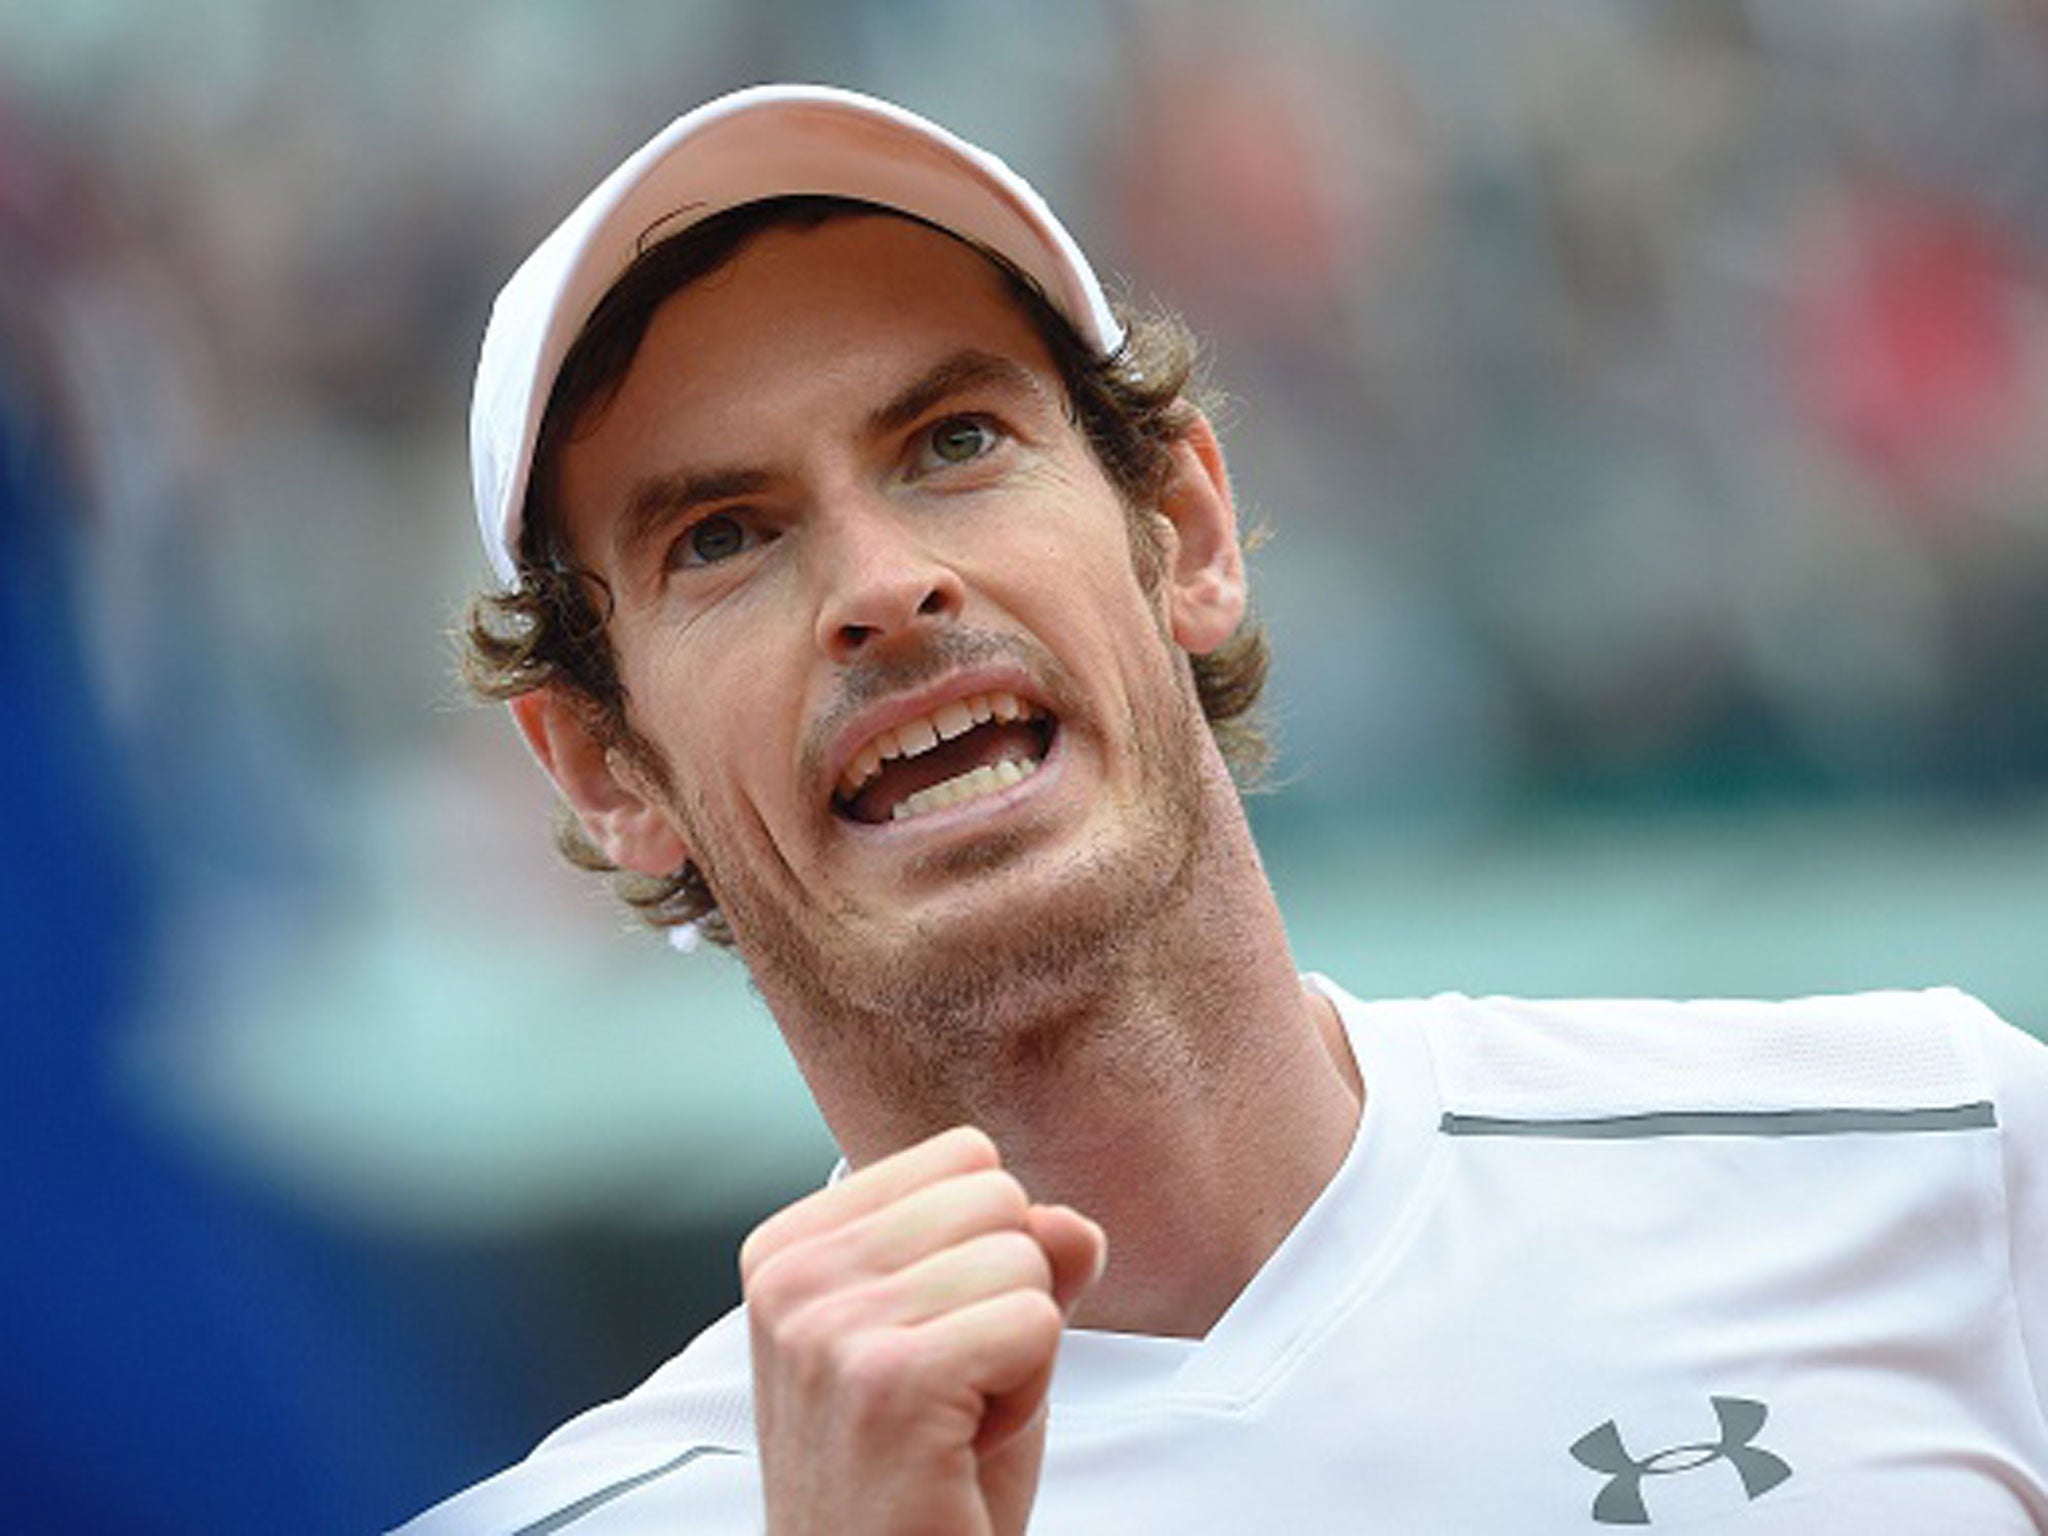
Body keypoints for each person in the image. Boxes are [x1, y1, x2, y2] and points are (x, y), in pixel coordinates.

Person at [396, 84, 2048, 1534]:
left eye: (954, 438)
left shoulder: (1945, 1156)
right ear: (607, 773)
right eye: (723, 539)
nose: (883, 587)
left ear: (1185, 529)